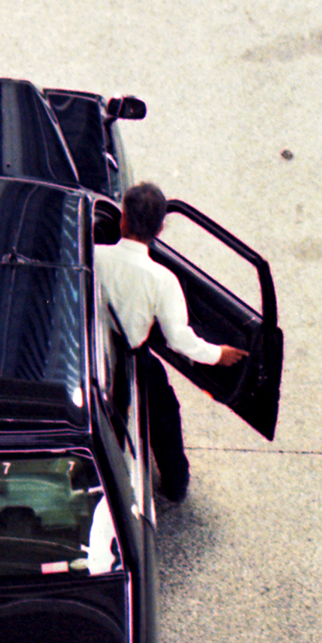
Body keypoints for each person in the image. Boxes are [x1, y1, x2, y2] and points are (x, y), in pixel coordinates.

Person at [97, 181, 247, 503]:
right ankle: (175, 485)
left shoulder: (93, 257)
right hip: (135, 356)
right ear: (161, 228)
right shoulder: (162, 279)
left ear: (122, 218)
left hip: (95, 352)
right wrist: (217, 354)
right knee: (164, 417)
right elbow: (178, 338)